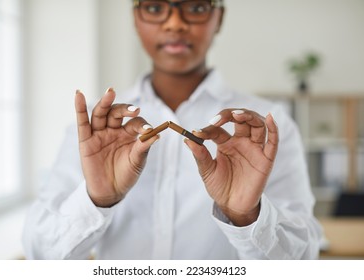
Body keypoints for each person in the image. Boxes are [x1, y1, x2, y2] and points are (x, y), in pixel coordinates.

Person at [22, 0, 322, 259]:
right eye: (154, 7)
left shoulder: (266, 126)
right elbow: (41, 253)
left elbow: (303, 257)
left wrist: (246, 217)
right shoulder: (93, 128)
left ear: (219, 18)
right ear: (135, 18)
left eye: (195, 7)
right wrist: (96, 199)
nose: (175, 23)